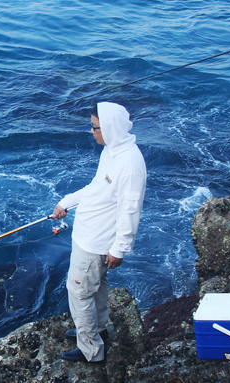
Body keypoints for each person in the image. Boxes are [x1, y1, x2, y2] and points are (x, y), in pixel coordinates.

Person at [51, 102, 147, 363]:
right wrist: (67, 201)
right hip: (86, 236)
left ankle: (91, 350)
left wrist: (119, 249)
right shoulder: (111, 150)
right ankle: (99, 330)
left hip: (97, 242)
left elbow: (130, 210)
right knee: (98, 286)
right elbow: (96, 188)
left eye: (95, 127)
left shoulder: (129, 165)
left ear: (110, 128)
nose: (91, 131)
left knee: (79, 291)